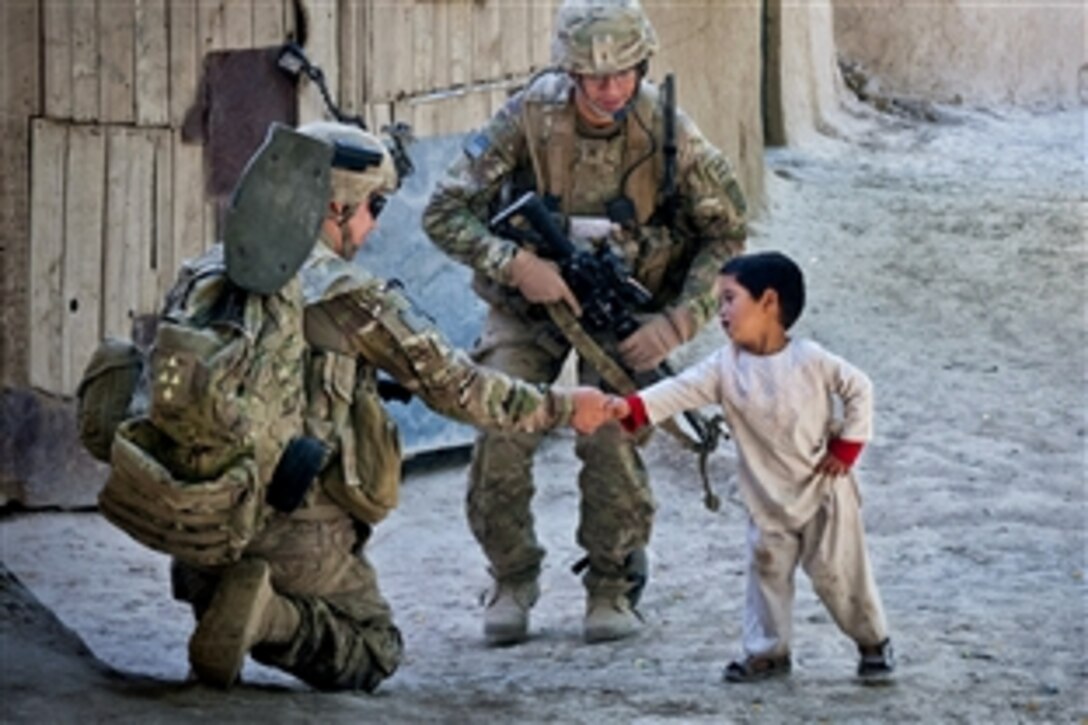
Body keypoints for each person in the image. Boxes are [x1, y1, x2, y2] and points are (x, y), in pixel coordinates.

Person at [167, 121, 616, 692]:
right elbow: (459, 388)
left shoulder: (204, 271)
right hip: (289, 534)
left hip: (195, 523)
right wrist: (562, 407)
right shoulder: (347, 293)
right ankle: (268, 615)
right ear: (337, 206)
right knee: (374, 648)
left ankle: (219, 595)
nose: (374, 224)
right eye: (373, 206)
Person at [422, 0, 748, 645]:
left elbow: (729, 236)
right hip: (528, 308)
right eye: (594, 78)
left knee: (613, 435)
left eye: (625, 73)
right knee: (501, 429)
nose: (611, 89)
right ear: (569, 73)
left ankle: (613, 582)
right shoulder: (528, 117)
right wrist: (513, 263)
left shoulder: (667, 130)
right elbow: (443, 211)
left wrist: (680, 322)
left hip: (622, 314)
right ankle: (512, 576)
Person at [603, 251, 896, 683]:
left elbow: (859, 388)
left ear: (769, 303)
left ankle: (873, 641)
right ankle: (768, 654)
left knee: (839, 575)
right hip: (766, 496)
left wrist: (847, 447)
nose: (721, 312)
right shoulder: (725, 366)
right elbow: (680, 390)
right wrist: (628, 409)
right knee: (766, 572)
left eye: (729, 299)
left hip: (823, 492)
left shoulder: (810, 360)